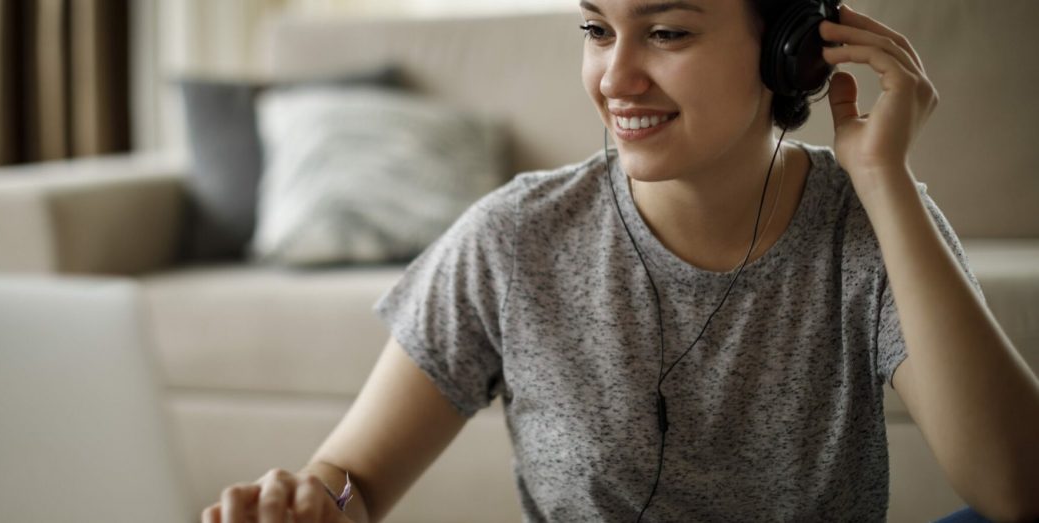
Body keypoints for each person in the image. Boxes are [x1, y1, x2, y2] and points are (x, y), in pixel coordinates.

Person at [201, 1, 1039, 522]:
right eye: (598, 30)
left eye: (666, 32)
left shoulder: (873, 222)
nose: (616, 77)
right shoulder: (514, 239)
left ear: (792, 49)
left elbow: (1016, 488)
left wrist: (884, 179)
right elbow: (352, 480)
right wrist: (311, 504)